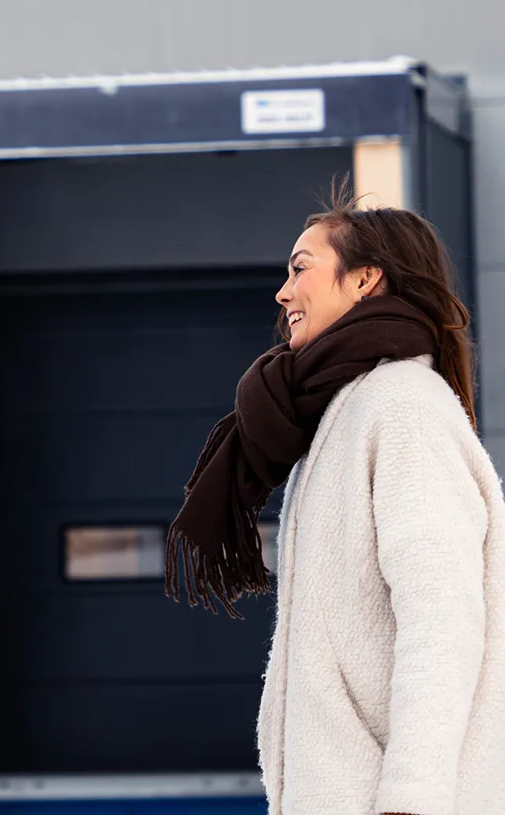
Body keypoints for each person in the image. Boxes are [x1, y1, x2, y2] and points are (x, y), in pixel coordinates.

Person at [166, 192, 505, 815]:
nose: (282, 292)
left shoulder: (403, 407)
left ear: (366, 278)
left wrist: (412, 798)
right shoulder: (347, 411)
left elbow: (445, 620)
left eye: (300, 267)